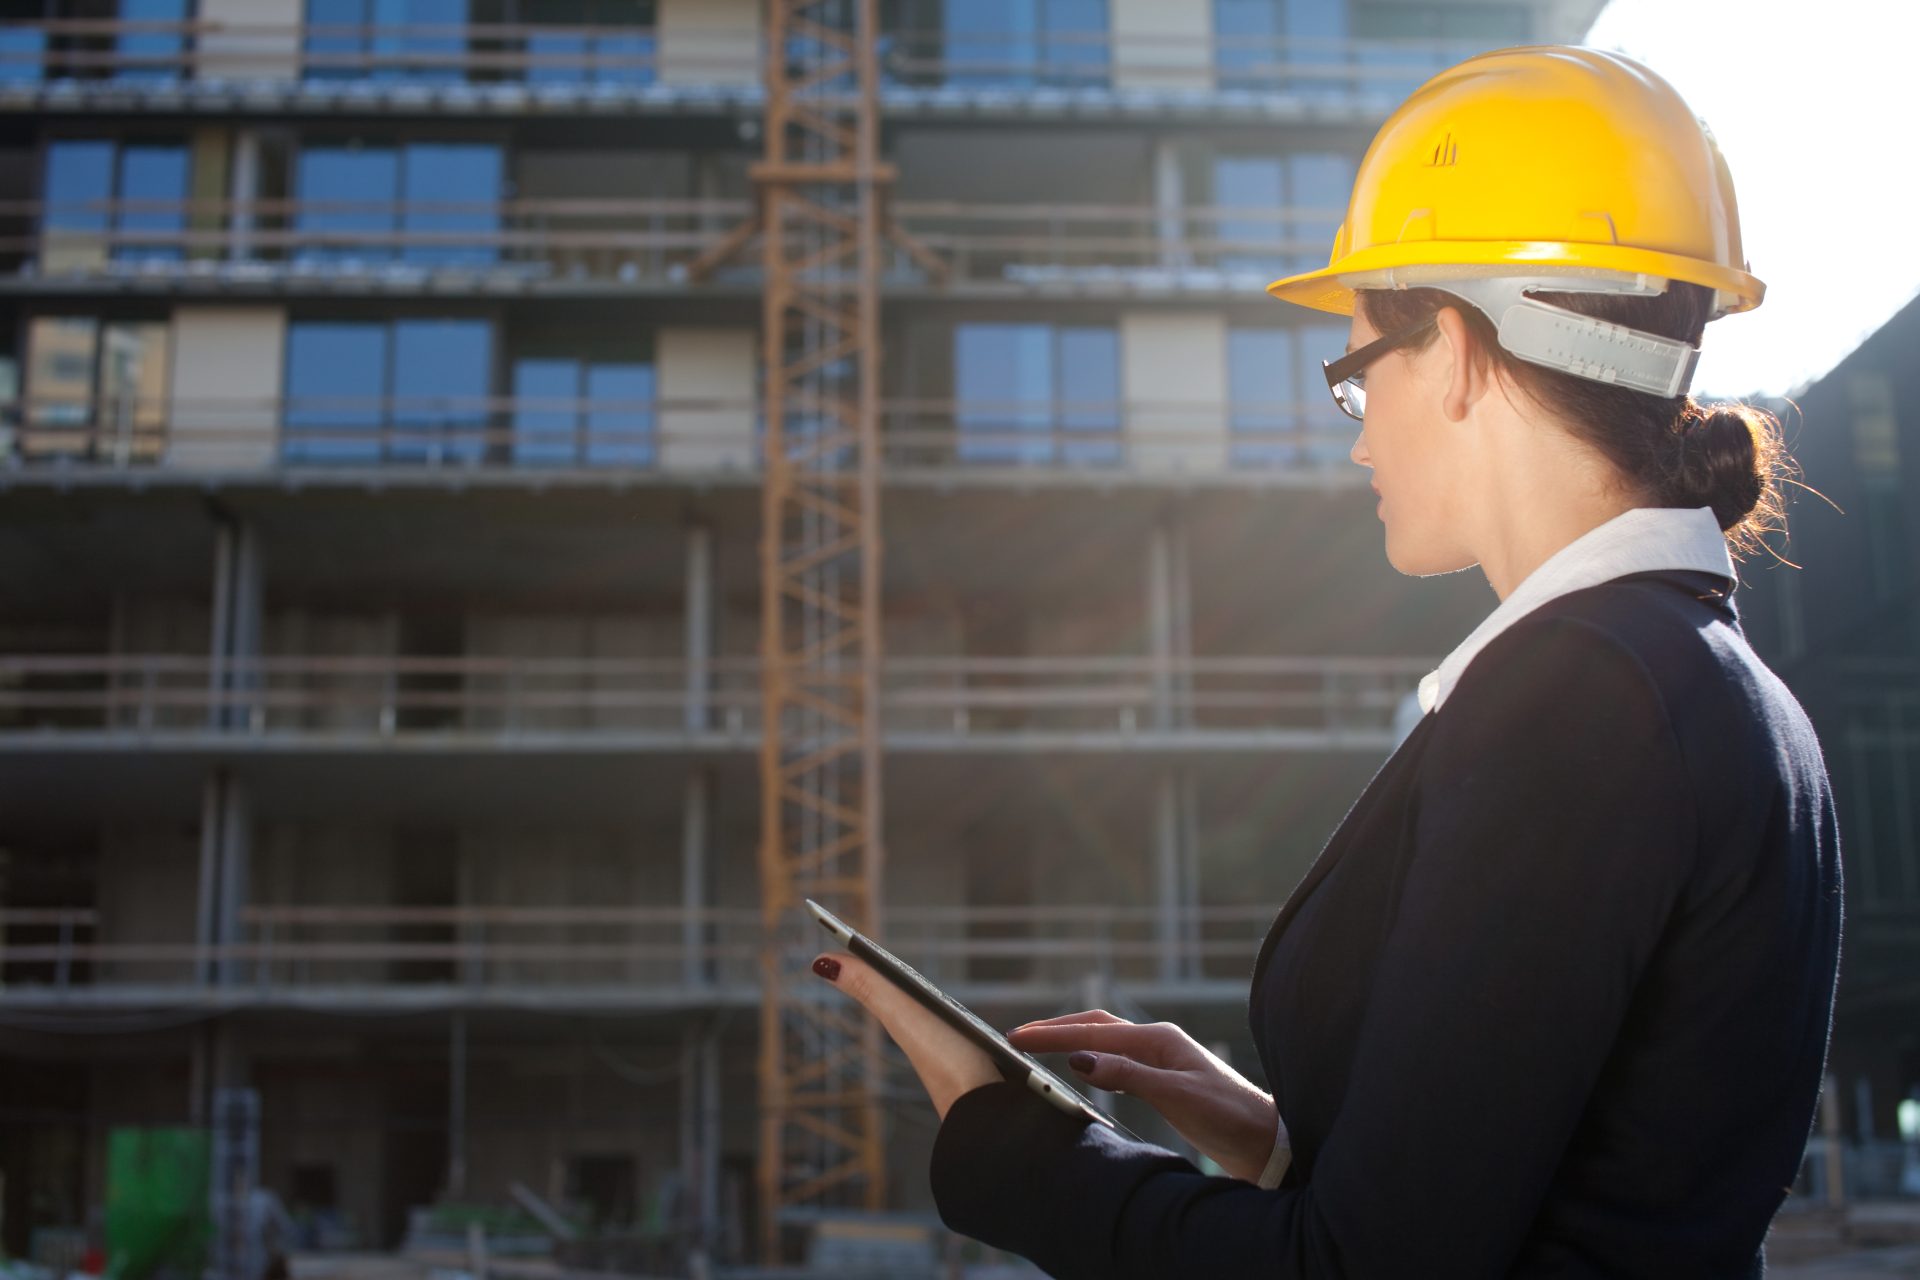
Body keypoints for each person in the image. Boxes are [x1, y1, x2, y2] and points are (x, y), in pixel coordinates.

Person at [810, 45, 1843, 1277]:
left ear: (1454, 349)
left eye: (1356, 374)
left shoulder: (1578, 705)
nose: (1354, 440)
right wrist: (1272, 1135)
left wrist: (1018, 1151)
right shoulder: (1726, 695)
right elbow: (1584, 1189)